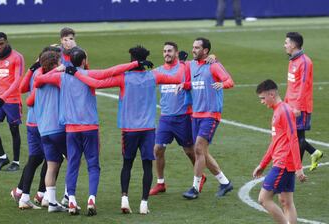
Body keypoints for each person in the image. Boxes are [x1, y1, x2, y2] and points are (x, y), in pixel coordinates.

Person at [66, 45, 185, 215]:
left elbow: (96, 83)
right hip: (148, 129)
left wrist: (75, 73)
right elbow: (178, 77)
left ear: (132, 60)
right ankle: (144, 204)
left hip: (129, 130)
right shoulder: (154, 76)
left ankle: (125, 199)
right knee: (147, 166)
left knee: (127, 165)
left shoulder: (123, 78)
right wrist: (180, 61)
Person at [33, 48, 140, 216]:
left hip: (71, 129)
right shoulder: (89, 74)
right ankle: (91, 199)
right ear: (83, 61)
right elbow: (111, 71)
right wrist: (135, 64)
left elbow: (38, 80)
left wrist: (58, 69)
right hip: (90, 127)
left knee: (73, 164)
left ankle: (73, 200)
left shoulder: (62, 77)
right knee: (93, 165)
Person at [178, 37, 234, 199]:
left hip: (211, 114)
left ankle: (194, 188)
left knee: (198, 149)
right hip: (196, 114)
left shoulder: (214, 66)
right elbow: (193, 83)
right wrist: (185, 85)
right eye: (193, 47)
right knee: (203, 152)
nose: (193, 50)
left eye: (196, 48)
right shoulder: (192, 65)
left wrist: (223, 84)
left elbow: (230, 81)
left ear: (206, 51)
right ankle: (225, 183)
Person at [149, 42, 206, 196]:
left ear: (176, 52)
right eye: (164, 51)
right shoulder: (158, 71)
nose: (166, 53)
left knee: (189, 151)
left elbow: (202, 62)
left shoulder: (185, 67)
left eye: (169, 51)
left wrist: (212, 57)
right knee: (157, 149)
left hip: (184, 117)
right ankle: (160, 183)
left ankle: (199, 177)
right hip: (166, 118)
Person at [10, 46, 61, 210]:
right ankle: (44, 195)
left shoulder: (36, 72)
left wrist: (32, 68)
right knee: (52, 159)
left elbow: (23, 88)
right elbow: (31, 99)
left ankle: (24, 194)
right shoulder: (47, 75)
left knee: (37, 158)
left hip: (32, 122)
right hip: (43, 122)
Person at [253, 79, 307, 224]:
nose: (262, 102)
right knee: (286, 202)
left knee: (263, 199)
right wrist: (262, 164)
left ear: (271, 94)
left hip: (283, 163)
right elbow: (275, 142)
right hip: (283, 162)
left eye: (263, 98)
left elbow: (293, 138)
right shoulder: (278, 111)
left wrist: (299, 168)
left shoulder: (284, 111)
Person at [27, 51, 68, 213]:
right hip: (58, 128)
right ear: (53, 64)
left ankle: (51, 202)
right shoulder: (58, 77)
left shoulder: (37, 76)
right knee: (74, 160)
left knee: (52, 165)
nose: (61, 63)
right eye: (59, 61)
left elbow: (30, 100)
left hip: (43, 130)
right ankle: (67, 197)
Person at [0, 32, 25, 171]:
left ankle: (16, 162)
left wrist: (5, 96)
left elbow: (18, 80)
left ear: (6, 42)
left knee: (14, 130)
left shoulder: (17, 57)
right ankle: (3, 157)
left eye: (1, 43)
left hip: (12, 100)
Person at [283, 32, 323, 171]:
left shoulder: (305, 62)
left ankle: (295, 168)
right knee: (292, 135)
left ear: (293, 45)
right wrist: (285, 103)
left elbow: (304, 86)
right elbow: (291, 84)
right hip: (291, 105)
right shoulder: (292, 60)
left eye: (286, 43)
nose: (285, 46)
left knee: (298, 136)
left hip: (301, 107)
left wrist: (297, 107)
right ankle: (314, 153)